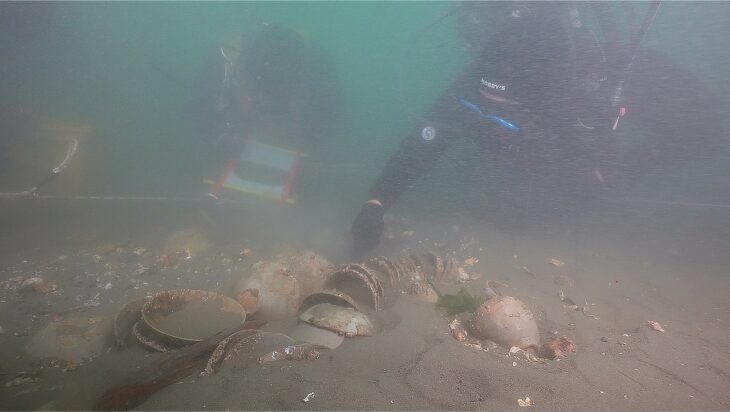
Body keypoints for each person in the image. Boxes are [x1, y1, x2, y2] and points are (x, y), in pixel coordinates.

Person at [351, 3, 724, 254]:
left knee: (713, 129)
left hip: (601, 90)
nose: (492, 106)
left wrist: (612, 172)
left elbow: (585, 164)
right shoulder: (476, 84)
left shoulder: (584, 85)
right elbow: (425, 141)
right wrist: (377, 200)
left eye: (507, 102)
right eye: (488, 99)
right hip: (548, 121)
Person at [194, 23, 341, 172]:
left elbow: (329, 122)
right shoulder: (223, 63)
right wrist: (219, 140)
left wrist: (310, 157)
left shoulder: (320, 73)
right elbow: (201, 115)